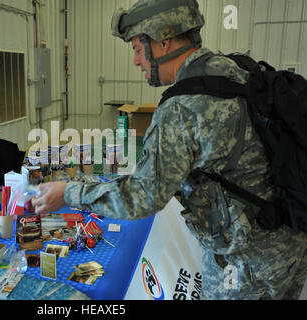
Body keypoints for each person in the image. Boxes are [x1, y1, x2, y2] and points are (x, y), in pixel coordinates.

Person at [32, 0, 307, 299]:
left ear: (163, 43)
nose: (137, 61)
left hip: (245, 264)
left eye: (138, 49)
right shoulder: (235, 70)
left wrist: (68, 193)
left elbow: (142, 197)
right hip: (290, 242)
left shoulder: (183, 107)